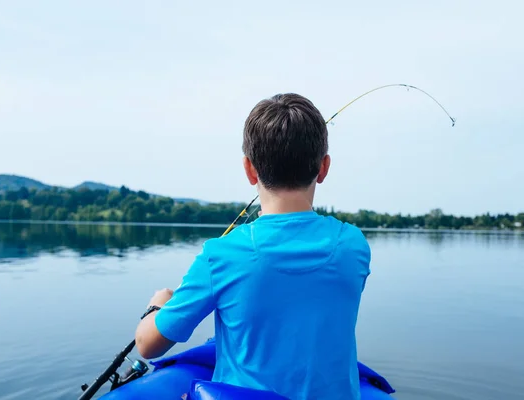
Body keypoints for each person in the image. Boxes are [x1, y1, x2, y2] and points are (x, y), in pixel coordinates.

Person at [135, 93, 371, 400]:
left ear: (250, 169)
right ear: (323, 168)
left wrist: (159, 304)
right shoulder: (354, 245)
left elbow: (148, 345)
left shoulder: (220, 255)